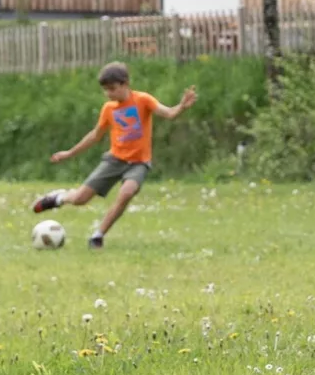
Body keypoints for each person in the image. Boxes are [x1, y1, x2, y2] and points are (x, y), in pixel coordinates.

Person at [32, 62, 197, 248]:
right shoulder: (109, 109)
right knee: (80, 199)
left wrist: (182, 106)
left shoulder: (143, 100)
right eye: (105, 90)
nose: (109, 94)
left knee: (127, 192)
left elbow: (168, 113)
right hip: (114, 160)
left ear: (125, 83)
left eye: (112, 89)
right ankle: (59, 198)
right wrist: (70, 153)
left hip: (138, 163)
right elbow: (95, 135)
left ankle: (98, 235)